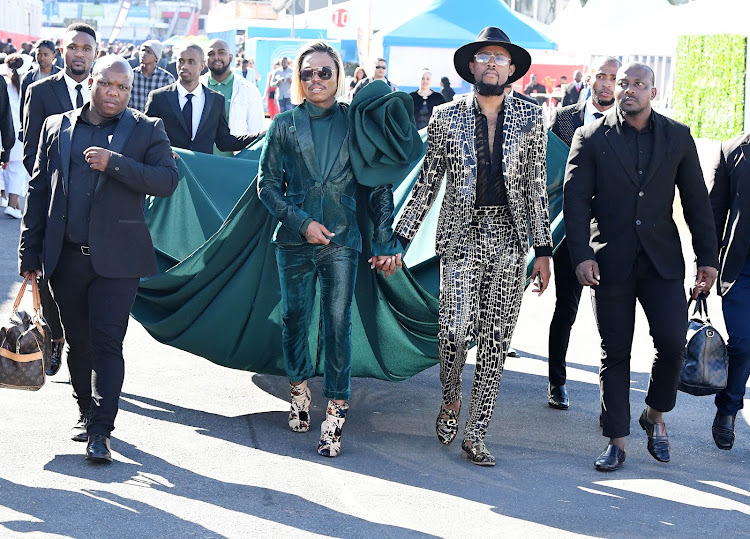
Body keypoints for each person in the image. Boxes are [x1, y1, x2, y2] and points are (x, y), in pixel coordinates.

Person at [395, 27, 552, 466]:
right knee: (452, 331)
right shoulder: (446, 117)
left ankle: (477, 432)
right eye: (484, 57)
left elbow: (537, 186)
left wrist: (543, 250)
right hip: (462, 236)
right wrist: (400, 237)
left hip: (508, 237)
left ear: (512, 69)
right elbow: (427, 184)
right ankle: (450, 397)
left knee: (496, 341)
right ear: (470, 67)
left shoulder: (530, 117)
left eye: (500, 58)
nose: (491, 64)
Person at [18, 55, 178, 464]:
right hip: (65, 258)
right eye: (107, 84)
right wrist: (29, 252)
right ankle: (85, 412)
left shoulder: (147, 129)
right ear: (92, 82)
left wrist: (116, 164)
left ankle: (101, 430)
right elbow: (38, 191)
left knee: (109, 342)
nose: (115, 93)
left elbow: (166, 181)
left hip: (119, 261)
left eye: (123, 88)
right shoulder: (58, 126)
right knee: (79, 343)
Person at [563, 62, 718, 472]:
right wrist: (581, 254)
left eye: (638, 85)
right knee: (615, 351)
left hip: (661, 261)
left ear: (653, 91)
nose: (628, 90)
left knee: (671, 343)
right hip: (608, 262)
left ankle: (655, 413)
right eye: (622, 83)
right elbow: (575, 203)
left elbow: (697, 202)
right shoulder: (590, 138)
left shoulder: (678, 137)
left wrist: (707, 258)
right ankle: (617, 440)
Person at [258, 41, 402, 458]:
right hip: (293, 241)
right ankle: (299, 389)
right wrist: (302, 223)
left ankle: (336, 411)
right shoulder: (283, 124)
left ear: (339, 75)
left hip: (342, 241)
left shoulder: (357, 124)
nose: (316, 80)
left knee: (338, 323)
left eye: (324, 72)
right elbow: (265, 185)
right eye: (308, 74)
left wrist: (383, 237)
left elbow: (378, 187)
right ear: (298, 80)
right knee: (294, 318)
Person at [22, 22, 98, 382]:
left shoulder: (106, 93)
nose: (79, 53)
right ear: (62, 51)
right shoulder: (39, 92)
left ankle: (88, 357)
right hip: (54, 208)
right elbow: (30, 156)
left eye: (86, 48)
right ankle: (55, 338)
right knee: (51, 280)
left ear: (95, 54)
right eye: (73, 47)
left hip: (96, 214)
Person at [546, 56, 621, 410]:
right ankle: (556, 382)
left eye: (613, 79)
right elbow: (546, 170)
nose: (607, 84)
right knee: (566, 307)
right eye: (602, 77)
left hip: (606, 232)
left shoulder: (628, 123)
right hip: (564, 230)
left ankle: (612, 397)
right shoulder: (564, 118)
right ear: (590, 78)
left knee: (608, 313)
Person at [709, 131, 750, 451]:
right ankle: (728, 409)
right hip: (741, 269)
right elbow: (713, 212)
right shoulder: (733, 150)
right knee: (743, 341)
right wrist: (704, 264)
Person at [144, 44, 262, 154]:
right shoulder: (159, 97)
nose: (184, 66)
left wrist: (259, 136)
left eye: (191, 62)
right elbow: (146, 136)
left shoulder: (216, 100)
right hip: (167, 171)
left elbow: (224, 141)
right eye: (181, 61)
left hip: (201, 172)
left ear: (201, 66)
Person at [200, 39, 264, 157]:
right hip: (201, 161)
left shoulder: (248, 89)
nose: (216, 57)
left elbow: (256, 131)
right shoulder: (197, 85)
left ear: (230, 57)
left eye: (221, 52)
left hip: (235, 163)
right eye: (211, 54)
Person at [3, 54, 31, 218]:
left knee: (6, 168)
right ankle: (13, 205)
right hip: (20, 132)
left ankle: (7, 200)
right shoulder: (26, 85)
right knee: (17, 170)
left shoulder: (5, 83)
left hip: (5, 132)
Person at [128, 40, 174, 113]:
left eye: (148, 52)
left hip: (156, 122)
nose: (144, 54)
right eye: (143, 50)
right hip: (133, 121)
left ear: (156, 58)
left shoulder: (166, 78)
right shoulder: (131, 75)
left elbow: (172, 105)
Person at [20, 40, 61, 109]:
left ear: (54, 55)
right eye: (39, 54)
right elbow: (23, 104)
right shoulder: (28, 77)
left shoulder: (61, 75)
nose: (42, 58)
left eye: (46, 55)